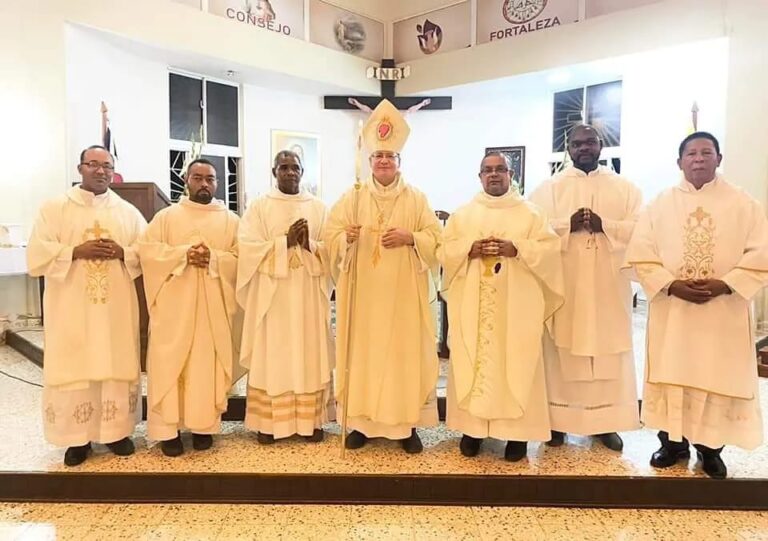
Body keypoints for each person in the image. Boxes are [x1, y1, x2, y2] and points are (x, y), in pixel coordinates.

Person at [624, 132, 768, 479]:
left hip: (724, 311)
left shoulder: (743, 203)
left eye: (707, 152)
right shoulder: (659, 204)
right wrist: (671, 284)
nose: (699, 159)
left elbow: (761, 250)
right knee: (673, 372)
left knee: (715, 374)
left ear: (720, 158)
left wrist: (727, 283)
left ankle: (711, 449)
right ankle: (672, 444)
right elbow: (641, 251)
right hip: (675, 310)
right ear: (680, 162)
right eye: (691, 153)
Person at [324, 99, 441, 453]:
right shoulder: (351, 198)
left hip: (404, 297)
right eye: (378, 156)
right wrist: (344, 238)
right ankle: (360, 423)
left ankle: (405, 427)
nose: (384, 161)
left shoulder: (417, 199)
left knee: (402, 355)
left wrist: (412, 238)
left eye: (390, 156)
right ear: (370, 161)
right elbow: (329, 237)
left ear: (399, 162)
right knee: (363, 356)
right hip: (363, 300)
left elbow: (438, 240)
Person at [439, 152, 563, 461]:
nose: (494, 175)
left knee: (516, 362)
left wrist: (517, 248)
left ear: (511, 175)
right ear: (479, 176)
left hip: (517, 308)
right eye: (487, 170)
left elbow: (550, 251)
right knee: (474, 361)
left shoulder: (531, 214)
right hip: (473, 305)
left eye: (500, 170)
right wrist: (470, 249)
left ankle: (517, 436)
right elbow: (444, 251)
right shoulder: (464, 215)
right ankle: (472, 431)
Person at [27, 145, 146, 466]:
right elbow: (37, 254)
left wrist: (124, 252)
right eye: (93, 164)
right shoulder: (55, 208)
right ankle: (76, 439)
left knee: (114, 361)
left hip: (114, 310)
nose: (101, 171)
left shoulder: (126, 212)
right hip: (71, 308)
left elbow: (146, 250)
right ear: (80, 168)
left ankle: (116, 432)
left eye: (107, 166)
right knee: (75, 365)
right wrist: (75, 251)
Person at [529, 124, 641, 451]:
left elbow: (642, 229)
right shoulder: (549, 189)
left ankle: (605, 423)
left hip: (608, 284)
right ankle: (559, 421)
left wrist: (608, 226)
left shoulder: (625, 188)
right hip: (567, 284)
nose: (584, 148)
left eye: (590, 142)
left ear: (601, 145)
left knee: (606, 350)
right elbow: (533, 231)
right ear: (568, 148)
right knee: (562, 347)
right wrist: (568, 226)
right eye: (577, 144)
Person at [140, 158, 239, 456]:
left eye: (210, 179)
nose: (204, 184)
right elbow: (147, 252)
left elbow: (242, 258)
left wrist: (214, 259)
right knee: (170, 363)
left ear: (217, 183)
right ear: (187, 180)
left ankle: (202, 426)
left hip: (212, 308)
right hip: (174, 308)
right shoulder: (167, 217)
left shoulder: (231, 220)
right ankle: (167, 431)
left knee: (204, 364)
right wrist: (184, 255)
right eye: (198, 178)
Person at [237, 151, 334, 443]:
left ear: (303, 171)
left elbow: (333, 249)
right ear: (274, 171)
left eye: (295, 167)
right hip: (273, 298)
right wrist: (285, 242)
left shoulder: (319, 208)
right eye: (284, 167)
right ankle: (269, 424)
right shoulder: (259, 207)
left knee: (309, 350)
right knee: (274, 353)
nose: (290, 172)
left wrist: (310, 246)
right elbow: (246, 248)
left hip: (308, 294)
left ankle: (311, 422)